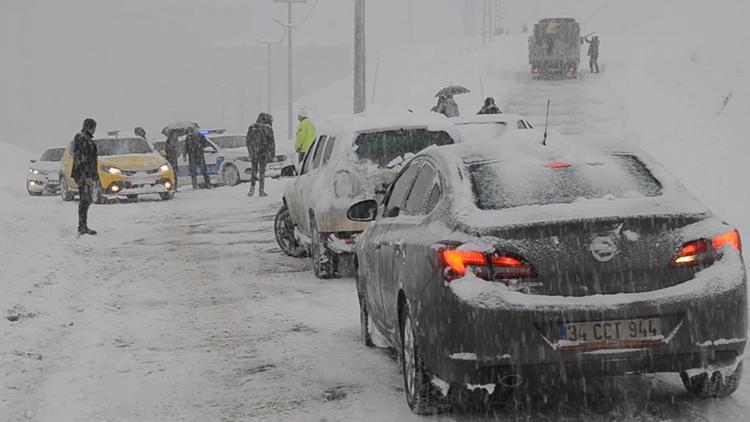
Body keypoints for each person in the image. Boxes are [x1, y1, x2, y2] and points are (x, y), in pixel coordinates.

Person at [71, 118, 99, 236]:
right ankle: (82, 226)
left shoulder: (85, 139)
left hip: (86, 174)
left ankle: (83, 225)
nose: (94, 130)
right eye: (94, 128)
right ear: (90, 127)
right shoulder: (82, 139)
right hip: (83, 175)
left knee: (86, 200)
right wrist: (85, 177)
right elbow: (82, 160)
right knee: (84, 200)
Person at [245, 113, 276, 197]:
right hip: (263, 153)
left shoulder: (252, 127)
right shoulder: (268, 128)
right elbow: (272, 143)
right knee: (262, 171)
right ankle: (261, 190)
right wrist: (272, 154)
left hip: (254, 153)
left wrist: (250, 151)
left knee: (254, 170)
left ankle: (252, 189)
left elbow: (247, 141)